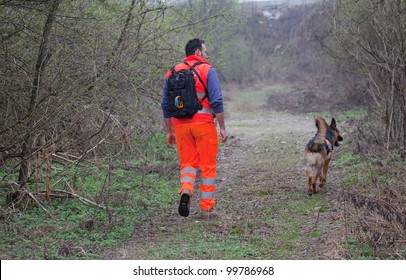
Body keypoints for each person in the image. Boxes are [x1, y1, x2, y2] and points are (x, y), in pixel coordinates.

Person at [161, 38, 228, 219]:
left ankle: (186, 190)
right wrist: (222, 127)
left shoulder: (172, 72)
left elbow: (166, 105)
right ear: (198, 52)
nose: (207, 56)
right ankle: (206, 208)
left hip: (180, 126)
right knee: (207, 165)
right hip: (204, 124)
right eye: (205, 52)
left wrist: (169, 131)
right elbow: (216, 101)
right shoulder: (207, 70)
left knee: (188, 164)